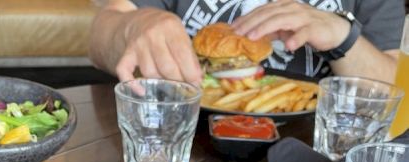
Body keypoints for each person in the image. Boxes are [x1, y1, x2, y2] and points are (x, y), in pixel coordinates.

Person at [89, 0, 405, 85]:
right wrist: (135, 25)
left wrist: (342, 36)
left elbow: (387, 89)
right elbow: (100, 37)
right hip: (187, 146)